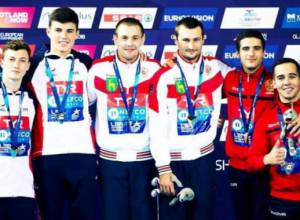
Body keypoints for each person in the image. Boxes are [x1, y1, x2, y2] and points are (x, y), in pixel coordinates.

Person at [149, 17, 233, 220]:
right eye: (185, 40)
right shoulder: (163, 75)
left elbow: (244, 88)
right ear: (175, 40)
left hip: (204, 160)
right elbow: (156, 126)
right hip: (174, 162)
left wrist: (216, 117)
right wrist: (164, 168)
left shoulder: (217, 68)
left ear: (204, 39)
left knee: (203, 215)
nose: (191, 46)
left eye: (196, 40)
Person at [26, 7, 98, 220]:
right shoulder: (33, 65)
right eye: (58, 30)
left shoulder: (87, 63)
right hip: (48, 155)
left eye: (69, 31)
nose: (63, 36)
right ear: (48, 31)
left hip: (82, 153)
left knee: (85, 214)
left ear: (77, 33)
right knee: (51, 215)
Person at [87, 17, 161, 220]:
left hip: (144, 161)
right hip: (110, 162)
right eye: (125, 37)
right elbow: (85, 108)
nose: (130, 43)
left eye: (135, 38)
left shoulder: (155, 70)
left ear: (143, 39)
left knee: (144, 216)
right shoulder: (98, 69)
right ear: (115, 39)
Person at [223, 30, 273, 220]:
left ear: (264, 52)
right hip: (237, 167)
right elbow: (202, 94)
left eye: (256, 48)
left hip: (265, 166)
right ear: (237, 53)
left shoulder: (274, 82)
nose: (251, 53)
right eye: (245, 49)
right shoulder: (229, 79)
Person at [247, 57, 300, 219]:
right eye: (281, 78)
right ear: (274, 84)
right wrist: (267, 159)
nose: (287, 82)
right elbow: (251, 162)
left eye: (292, 76)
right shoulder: (266, 119)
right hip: (283, 200)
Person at [0, 40, 37, 219]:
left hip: (23, 191)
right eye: (11, 59)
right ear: (2, 62)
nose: (16, 65)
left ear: (28, 65)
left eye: (22, 60)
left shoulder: (31, 101)